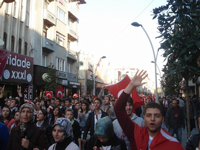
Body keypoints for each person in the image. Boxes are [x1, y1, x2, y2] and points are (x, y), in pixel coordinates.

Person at [114, 70, 184, 150]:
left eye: (157, 116)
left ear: (162, 119)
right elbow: (118, 108)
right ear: (144, 118)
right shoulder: (136, 132)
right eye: (149, 115)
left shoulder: (172, 144)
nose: (152, 119)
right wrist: (131, 85)